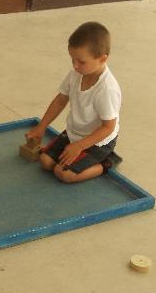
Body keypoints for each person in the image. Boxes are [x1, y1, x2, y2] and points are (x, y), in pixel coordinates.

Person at [26, 21, 121, 183]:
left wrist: (79, 146)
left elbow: (108, 127)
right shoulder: (76, 73)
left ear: (102, 59)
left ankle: (107, 162)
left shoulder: (107, 89)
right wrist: (41, 127)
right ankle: (76, 150)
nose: (75, 66)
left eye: (81, 62)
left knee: (65, 174)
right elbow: (60, 100)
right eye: (72, 59)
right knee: (46, 162)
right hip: (74, 133)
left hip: (98, 141)